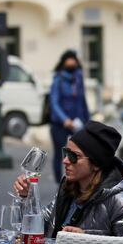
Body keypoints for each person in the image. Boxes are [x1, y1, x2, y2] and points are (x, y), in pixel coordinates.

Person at [13, 120, 123, 237]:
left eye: (74, 156)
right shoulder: (69, 187)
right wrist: (27, 198)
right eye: (66, 153)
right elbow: (43, 227)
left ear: (96, 163)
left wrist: (86, 240)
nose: (65, 160)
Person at [48, 49, 90, 180]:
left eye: (74, 59)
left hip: (77, 122)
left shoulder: (78, 79)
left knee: (80, 151)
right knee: (59, 153)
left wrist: (87, 120)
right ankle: (59, 182)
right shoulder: (58, 79)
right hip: (60, 124)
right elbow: (54, 102)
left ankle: (76, 177)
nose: (72, 62)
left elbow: (82, 101)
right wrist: (65, 119)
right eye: (69, 59)